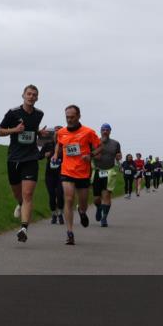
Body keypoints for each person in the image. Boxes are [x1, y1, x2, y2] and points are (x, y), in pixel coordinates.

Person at [0, 85, 49, 242]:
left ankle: (24, 228)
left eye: (34, 95)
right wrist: (14, 130)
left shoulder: (39, 114)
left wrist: (39, 133)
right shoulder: (13, 113)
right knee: (17, 193)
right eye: (29, 94)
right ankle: (19, 203)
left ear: (37, 98)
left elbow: (32, 129)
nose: (31, 97)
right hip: (14, 158)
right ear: (23, 95)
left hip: (31, 158)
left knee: (28, 194)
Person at [54, 105, 101, 245]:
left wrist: (91, 155)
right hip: (67, 171)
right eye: (67, 117)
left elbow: (99, 147)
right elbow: (59, 144)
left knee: (83, 203)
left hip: (82, 172)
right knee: (68, 198)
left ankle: (81, 211)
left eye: (72, 117)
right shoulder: (61, 132)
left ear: (79, 116)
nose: (69, 120)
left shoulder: (88, 132)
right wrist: (56, 154)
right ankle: (70, 233)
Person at [92, 124, 122, 227]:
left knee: (106, 195)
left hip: (109, 171)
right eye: (103, 130)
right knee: (96, 198)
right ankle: (99, 207)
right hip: (97, 171)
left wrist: (119, 157)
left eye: (107, 130)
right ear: (100, 131)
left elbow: (118, 155)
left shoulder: (115, 143)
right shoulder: (95, 142)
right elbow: (90, 154)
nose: (105, 131)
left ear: (110, 131)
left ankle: (104, 218)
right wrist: (95, 155)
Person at [40, 126, 65, 224]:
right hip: (49, 174)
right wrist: (44, 155)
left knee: (59, 195)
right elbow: (39, 156)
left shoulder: (65, 145)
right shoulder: (47, 145)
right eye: (56, 132)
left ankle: (60, 214)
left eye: (59, 132)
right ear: (53, 134)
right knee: (51, 195)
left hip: (62, 174)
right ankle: (54, 214)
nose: (57, 134)